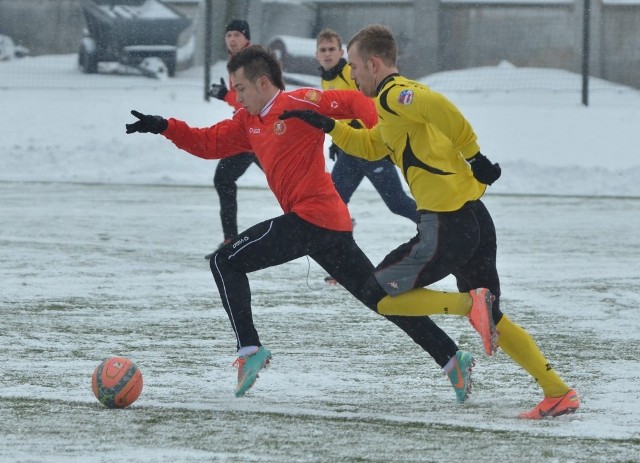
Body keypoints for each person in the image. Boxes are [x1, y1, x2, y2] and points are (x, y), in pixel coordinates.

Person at [126, 45, 495, 402]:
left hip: (312, 218)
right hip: (327, 227)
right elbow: (207, 143)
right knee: (378, 298)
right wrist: (163, 126)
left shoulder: (300, 102)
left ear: (263, 83)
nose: (236, 96)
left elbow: (355, 102)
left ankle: (250, 348)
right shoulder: (246, 122)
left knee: (224, 262)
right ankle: (451, 358)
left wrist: (381, 136)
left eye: (240, 88)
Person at [280, 24, 580, 420]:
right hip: (472, 218)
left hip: (448, 224)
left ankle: (467, 305)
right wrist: (331, 127)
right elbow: (373, 145)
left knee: (379, 293)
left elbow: (439, 107)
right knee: (492, 318)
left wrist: (475, 156)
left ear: (373, 63)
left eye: (354, 66)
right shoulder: (391, 108)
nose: (351, 74)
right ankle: (558, 392)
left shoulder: (394, 95)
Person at [316, 29, 417, 224]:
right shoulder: (326, 78)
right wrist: (338, 140)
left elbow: (370, 101)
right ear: (317, 54)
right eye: (323, 50)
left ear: (341, 53)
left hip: (372, 146)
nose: (327, 54)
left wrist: (358, 126)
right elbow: (342, 111)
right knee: (334, 201)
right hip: (351, 149)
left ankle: (438, 228)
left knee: (397, 203)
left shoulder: (350, 72)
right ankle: (341, 238)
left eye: (332, 49)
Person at [207, 19, 262, 250]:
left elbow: (252, 98)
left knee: (288, 183)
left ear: (246, 38)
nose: (232, 39)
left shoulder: (250, 61)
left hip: (259, 132)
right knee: (223, 179)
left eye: (237, 34)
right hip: (247, 134)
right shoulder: (237, 62)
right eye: (228, 35)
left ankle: (315, 227)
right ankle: (231, 241)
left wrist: (225, 96)